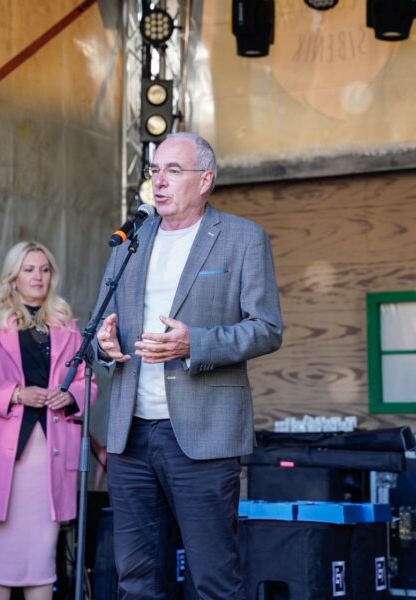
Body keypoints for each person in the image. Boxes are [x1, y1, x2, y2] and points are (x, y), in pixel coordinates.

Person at [94, 132, 283, 599]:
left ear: (205, 181)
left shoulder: (242, 238)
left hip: (203, 433)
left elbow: (266, 328)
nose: (159, 181)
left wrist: (193, 343)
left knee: (213, 578)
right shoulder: (130, 240)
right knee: (135, 579)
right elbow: (99, 323)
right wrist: (103, 343)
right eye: (154, 171)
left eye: (173, 171)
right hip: (130, 433)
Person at [0, 241, 96, 600]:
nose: (38, 277)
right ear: (13, 278)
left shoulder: (68, 325)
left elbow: (88, 382)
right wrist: (16, 394)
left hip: (50, 450)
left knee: (42, 557)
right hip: (3, 452)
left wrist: (70, 395)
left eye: (44, 269)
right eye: (29, 269)